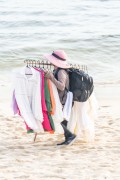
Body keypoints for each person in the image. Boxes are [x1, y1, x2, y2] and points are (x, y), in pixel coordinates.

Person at [44, 50, 76, 146]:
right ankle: (69, 137)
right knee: (61, 119)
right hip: (62, 98)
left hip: (63, 99)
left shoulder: (61, 72)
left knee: (60, 118)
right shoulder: (58, 70)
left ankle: (70, 136)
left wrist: (51, 77)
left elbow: (61, 86)